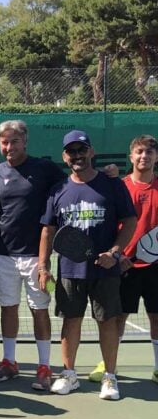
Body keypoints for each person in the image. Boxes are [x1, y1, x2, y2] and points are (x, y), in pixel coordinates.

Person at [39, 130, 136, 400]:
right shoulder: (58, 190)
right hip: (70, 270)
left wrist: (115, 253)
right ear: (64, 156)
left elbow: (129, 221)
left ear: (91, 152)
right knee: (71, 321)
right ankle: (69, 374)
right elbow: (48, 231)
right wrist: (43, 266)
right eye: (72, 151)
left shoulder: (113, 184)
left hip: (106, 269)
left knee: (107, 321)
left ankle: (110, 377)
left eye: (82, 150)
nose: (77, 155)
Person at [0, 119, 65, 386]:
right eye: (4, 142)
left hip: (36, 256)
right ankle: (9, 361)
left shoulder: (44, 168)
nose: (9, 146)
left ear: (25, 141)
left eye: (14, 141)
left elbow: (73, 185)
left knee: (39, 310)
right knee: (8, 308)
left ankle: (44, 366)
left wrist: (110, 174)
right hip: (4, 254)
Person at [90, 135, 158, 383]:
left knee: (157, 317)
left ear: (156, 157)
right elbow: (111, 225)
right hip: (123, 263)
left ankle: (157, 368)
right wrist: (118, 255)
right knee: (118, 317)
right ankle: (108, 365)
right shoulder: (119, 186)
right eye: (139, 152)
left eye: (149, 152)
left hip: (156, 266)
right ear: (131, 157)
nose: (144, 156)